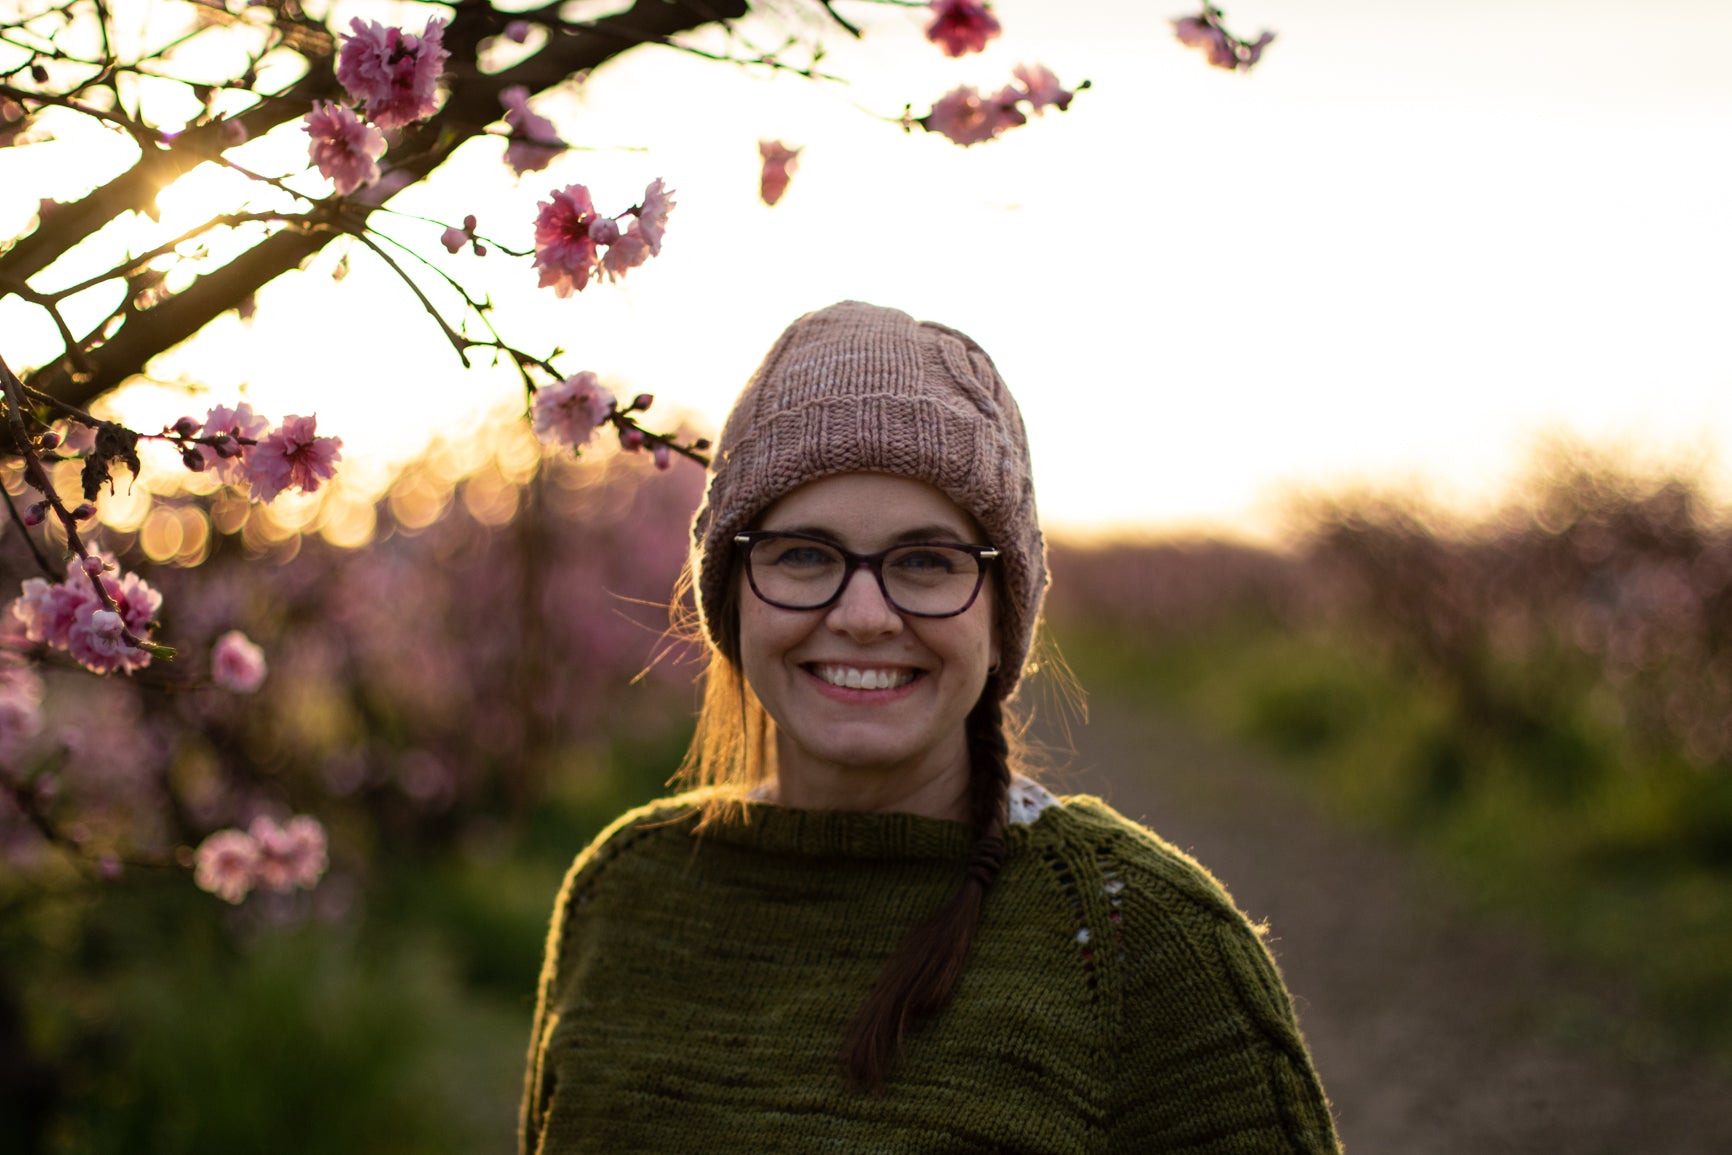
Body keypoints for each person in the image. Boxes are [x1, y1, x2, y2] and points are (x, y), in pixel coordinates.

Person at [519, 301, 1340, 1153]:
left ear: (999, 616)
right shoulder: (622, 898)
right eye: (804, 553)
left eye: (926, 561)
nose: (865, 615)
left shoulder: (1147, 944)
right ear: (732, 593)